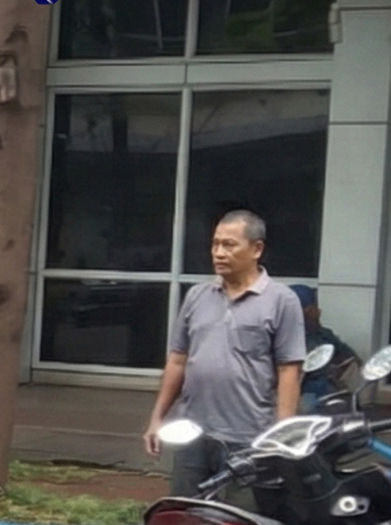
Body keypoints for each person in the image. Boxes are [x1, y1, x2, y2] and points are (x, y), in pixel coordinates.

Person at [145, 209, 305, 496]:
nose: (219, 253)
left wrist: (281, 436)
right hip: (192, 433)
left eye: (229, 245)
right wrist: (158, 418)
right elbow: (178, 360)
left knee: (240, 517)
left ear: (256, 249)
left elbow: (289, 371)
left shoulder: (282, 300)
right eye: (215, 244)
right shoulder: (197, 296)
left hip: (249, 437)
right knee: (186, 513)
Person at [292, 284, 359, 410]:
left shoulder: (323, 334)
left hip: (329, 385)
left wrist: (339, 367)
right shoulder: (284, 336)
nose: (318, 310)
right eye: (314, 307)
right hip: (303, 392)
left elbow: (349, 356)